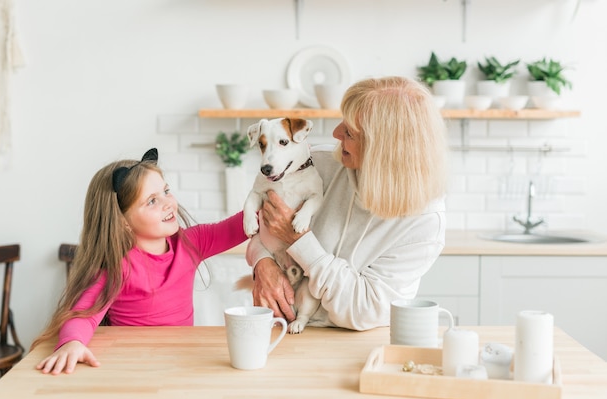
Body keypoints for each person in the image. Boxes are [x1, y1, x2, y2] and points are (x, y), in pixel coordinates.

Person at [247, 76, 447, 330]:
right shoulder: (315, 164)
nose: (335, 133)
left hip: (359, 345)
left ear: (382, 150)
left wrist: (299, 241)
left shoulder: (425, 223)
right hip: (281, 330)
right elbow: (261, 225)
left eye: (350, 131)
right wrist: (262, 264)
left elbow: (364, 311)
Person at [33, 148, 247, 374]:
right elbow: (83, 315)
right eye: (152, 201)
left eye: (166, 191)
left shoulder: (190, 244)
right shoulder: (118, 266)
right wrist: (72, 343)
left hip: (180, 362)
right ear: (123, 221)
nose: (167, 203)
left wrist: (273, 195)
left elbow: (241, 226)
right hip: (133, 367)